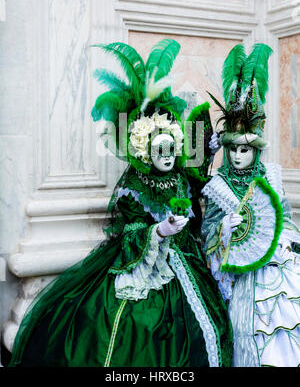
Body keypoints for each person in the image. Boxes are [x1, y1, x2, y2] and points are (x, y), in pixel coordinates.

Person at [9, 38, 233, 367]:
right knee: (136, 324)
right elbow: (129, 230)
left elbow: (198, 177)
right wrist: (158, 231)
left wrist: (211, 147)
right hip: (147, 265)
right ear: (146, 151)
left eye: (173, 150)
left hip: (187, 259)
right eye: (161, 151)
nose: (169, 158)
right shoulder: (133, 185)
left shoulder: (181, 174)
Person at [201, 43, 300, 367]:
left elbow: (282, 215)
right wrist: (224, 232)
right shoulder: (217, 186)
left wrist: (286, 241)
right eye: (233, 150)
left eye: (246, 150)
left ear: (256, 151)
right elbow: (208, 234)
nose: (239, 156)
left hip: (277, 266)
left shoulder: (270, 176)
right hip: (242, 274)